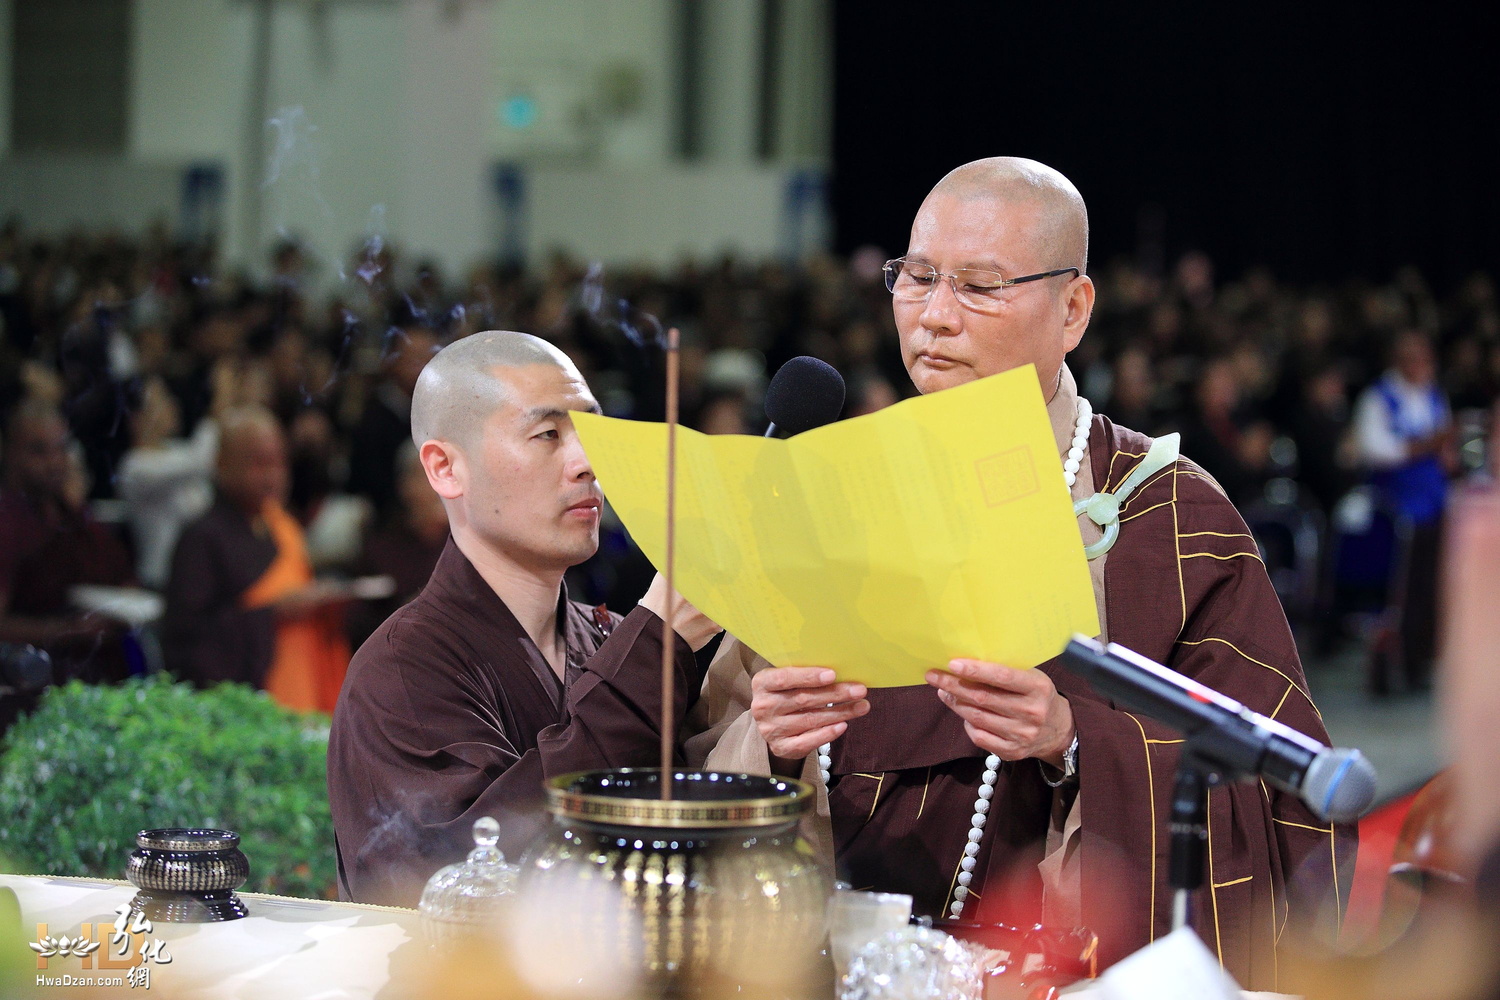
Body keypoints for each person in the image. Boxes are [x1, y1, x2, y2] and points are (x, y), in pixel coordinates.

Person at [690, 157, 1352, 989]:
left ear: (1072, 309)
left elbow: (1284, 794)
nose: (933, 316)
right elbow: (700, 760)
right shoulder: (825, 493)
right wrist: (771, 743)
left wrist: (1074, 741)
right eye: (918, 277)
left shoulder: (1164, 514)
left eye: (979, 285)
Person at [326, 330, 720, 908]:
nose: (588, 462)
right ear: (444, 469)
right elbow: (455, 878)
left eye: (591, 430)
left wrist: (775, 735)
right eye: (547, 434)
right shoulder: (403, 667)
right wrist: (657, 645)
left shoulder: (607, 636)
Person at [160, 406, 350, 711]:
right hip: (250, 706)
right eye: (258, 463)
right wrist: (273, 614)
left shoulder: (282, 527)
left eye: (278, 463)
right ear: (221, 463)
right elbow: (187, 640)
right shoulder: (202, 538)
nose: (272, 476)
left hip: (303, 690)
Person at [0, 399, 134, 728]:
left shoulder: (69, 515)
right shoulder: (7, 522)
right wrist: (63, 631)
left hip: (87, 684)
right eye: (38, 451)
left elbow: (115, 570)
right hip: (24, 690)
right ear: (9, 453)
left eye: (60, 450)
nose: (53, 463)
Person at [1351, 331, 1454, 690]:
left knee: (1430, 590)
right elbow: (1373, 448)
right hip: (1396, 513)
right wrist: (1425, 446)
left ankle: (1420, 663)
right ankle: (1387, 668)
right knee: (1396, 595)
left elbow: (1445, 449)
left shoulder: (1433, 395)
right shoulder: (1377, 398)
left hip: (1434, 507)